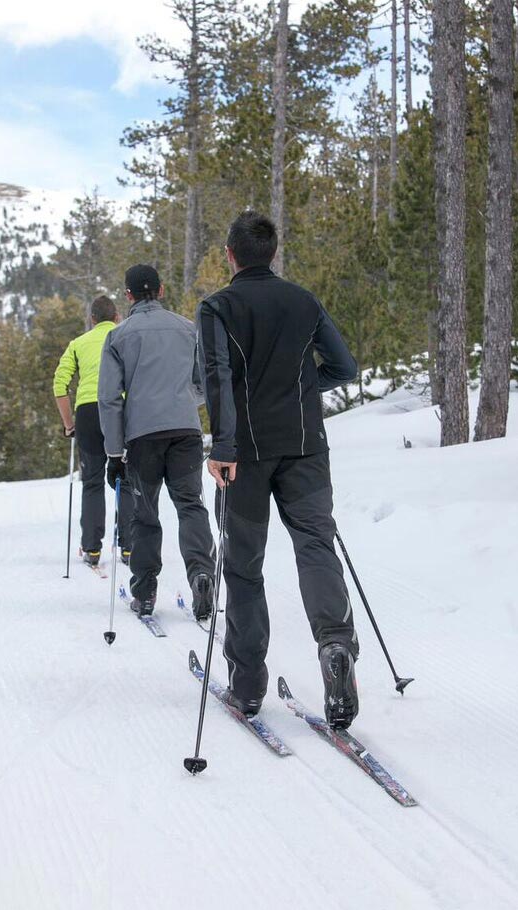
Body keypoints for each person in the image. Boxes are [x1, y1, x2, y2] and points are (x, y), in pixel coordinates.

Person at [196, 211, 360, 729]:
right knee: (315, 544)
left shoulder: (217, 306)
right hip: (307, 446)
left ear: (230, 255)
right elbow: (343, 367)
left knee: (245, 564)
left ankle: (246, 686)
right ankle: (335, 646)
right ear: (272, 252)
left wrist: (222, 446)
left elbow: (217, 378)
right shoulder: (303, 300)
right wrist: (301, 391)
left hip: (244, 453)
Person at [97, 265, 216, 620]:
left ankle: (146, 592)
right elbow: (203, 383)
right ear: (161, 291)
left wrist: (114, 454)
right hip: (185, 432)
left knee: (145, 515)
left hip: (143, 436)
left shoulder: (118, 337)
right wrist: (178, 398)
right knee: (191, 505)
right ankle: (201, 573)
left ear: (129, 296)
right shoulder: (187, 329)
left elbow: (109, 399)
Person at [53, 295, 133, 567]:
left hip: (87, 412)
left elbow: (59, 385)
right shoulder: (125, 337)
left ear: (92, 320)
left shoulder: (78, 344)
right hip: (119, 409)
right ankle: (128, 546)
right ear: (117, 317)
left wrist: (69, 424)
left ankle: (92, 548)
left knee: (93, 481)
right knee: (126, 478)